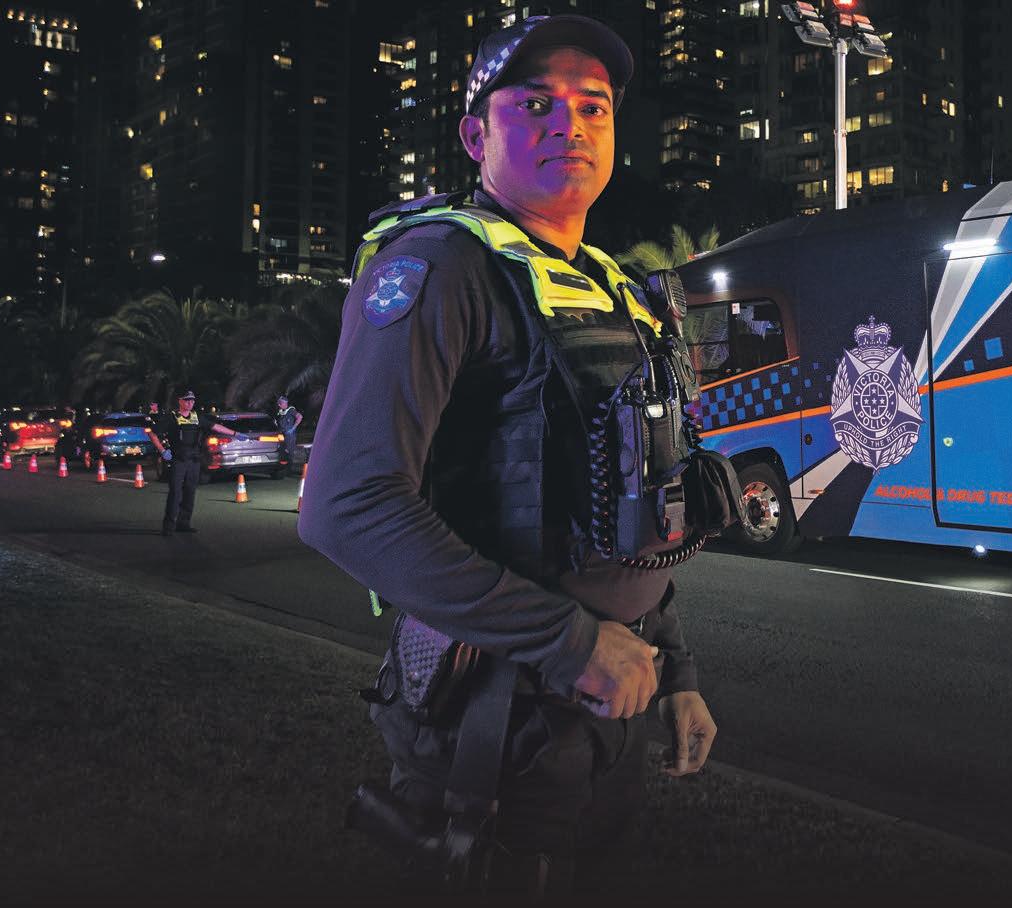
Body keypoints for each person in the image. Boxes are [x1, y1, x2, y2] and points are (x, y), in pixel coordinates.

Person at [299, 14, 723, 897]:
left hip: (610, 700)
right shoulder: (442, 266)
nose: (570, 124)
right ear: (474, 137)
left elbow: (644, 500)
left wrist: (674, 668)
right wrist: (571, 643)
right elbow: (347, 505)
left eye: (593, 107)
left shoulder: (613, 285)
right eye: (535, 105)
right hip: (490, 721)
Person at [145, 390, 251, 536]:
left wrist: (235, 434)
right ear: (180, 401)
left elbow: (215, 426)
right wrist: (163, 451)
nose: (190, 403)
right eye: (187, 400)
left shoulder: (197, 417)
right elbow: (151, 433)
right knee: (175, 493)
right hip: (178, 460)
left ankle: (184, 523)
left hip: (194, 460)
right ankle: (168, 526)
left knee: (190, 492)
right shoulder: (171, 417)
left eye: (192, 400)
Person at [273, 394, 303, 472]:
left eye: (281, 404)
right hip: (281, 434)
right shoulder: (280, 412)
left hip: (289, 435)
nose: (279, 405)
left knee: (289, 451)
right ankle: (284, 468)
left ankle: (290, 469)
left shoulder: (291, 410)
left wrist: (293, 428)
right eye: (279, 404)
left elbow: (300, 417)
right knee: (282, 451)